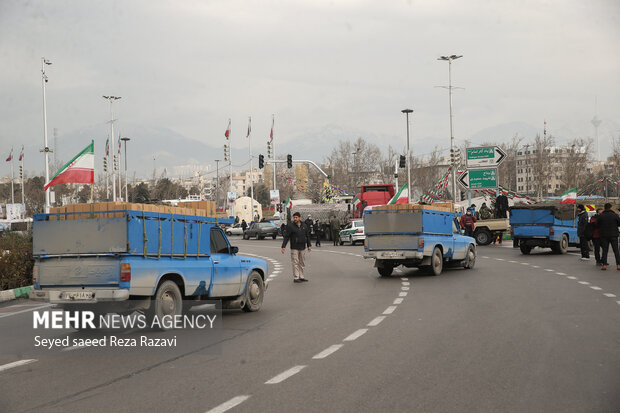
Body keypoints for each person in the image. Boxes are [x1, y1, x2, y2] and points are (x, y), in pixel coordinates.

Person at [282, 212, 312, 282]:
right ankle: (296, 277)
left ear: (299, 218)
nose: (295, 219)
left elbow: (307, 236)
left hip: (302, 247)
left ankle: (301, 276)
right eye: (294, 217)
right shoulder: (291, 226)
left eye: (296, 217)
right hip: (294, 247)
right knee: (295, 262)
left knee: (302, 262)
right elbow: (286, 237)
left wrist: (309, 245)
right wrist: (283, 246)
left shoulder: (304, 225)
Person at [596, 203, 620, 271]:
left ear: (604, 208)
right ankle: (618, 265)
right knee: (616, 251)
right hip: (614, 235)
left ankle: (604, 265)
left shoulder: (601, 216)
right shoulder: (615, 215)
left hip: (604, 235)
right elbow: (619, 223)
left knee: (605, 250)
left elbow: (597, 225)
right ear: (610, 207)